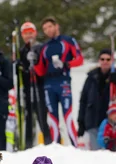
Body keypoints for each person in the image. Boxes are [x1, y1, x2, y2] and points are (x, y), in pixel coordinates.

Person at [33, 16, 84, 146]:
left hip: (63, 83)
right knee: (53, 119)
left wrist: (67, 64)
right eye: (44, 29)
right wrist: (33, 61)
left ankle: (75, 146)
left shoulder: (68, 41)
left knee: (67, 116)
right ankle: (55, 148)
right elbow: (40, 71)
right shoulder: (45, 47)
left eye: (50, 26)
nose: (48, 30)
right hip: (48, 85)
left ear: (56, 26)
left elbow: (80, 59)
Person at [78, 49, 116, 150]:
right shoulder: (91, 77)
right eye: (102, 59)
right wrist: (81, 122)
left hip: (112, 123)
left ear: (112, 61)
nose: (105, 61)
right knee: (95, 153)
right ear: (99, 61)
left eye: (108, 59)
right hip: (93, 121)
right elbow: (83, 100)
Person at [18, 21, 49, 147]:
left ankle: (48, 140)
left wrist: (35, 61)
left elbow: (44, 67)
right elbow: (20, 69)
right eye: (25, 34)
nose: (28, 36)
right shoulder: (21, 50)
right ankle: (28, 144)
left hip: (39, 85)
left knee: (41, 114)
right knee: (28, 117)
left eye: (30, 33)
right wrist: (19, 65)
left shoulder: (40, 47)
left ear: (35, 34)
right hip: (27, 87)